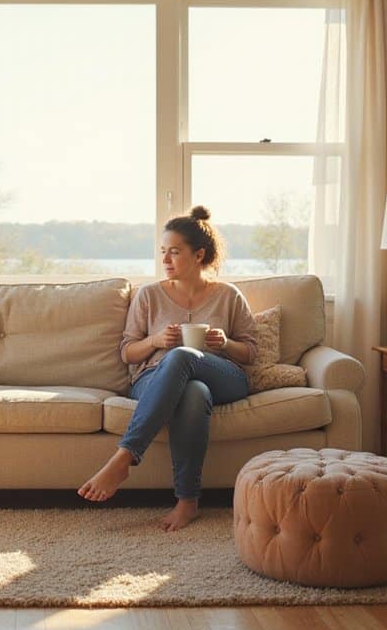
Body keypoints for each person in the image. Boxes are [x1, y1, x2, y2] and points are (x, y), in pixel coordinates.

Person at [78, 205, 257, 531]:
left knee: (183, 358)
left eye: (175, 252)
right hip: (153, 379)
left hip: (224, 378)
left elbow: (251, 353)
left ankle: (124, 458)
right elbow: (128, 354)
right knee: (192, 391)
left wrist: (226, 343)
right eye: (163, 252)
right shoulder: (148, 296)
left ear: (199, 254)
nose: (166, 260)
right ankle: (188, 501)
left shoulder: (229, 296)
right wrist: (156, 341)